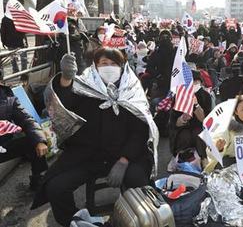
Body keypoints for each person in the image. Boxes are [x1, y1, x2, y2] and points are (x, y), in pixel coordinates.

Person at [32, 48, 156, 226]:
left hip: (124, 155)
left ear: (123, 66)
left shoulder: (133, 90)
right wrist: (66, 79)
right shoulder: (84, 86)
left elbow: (141, 131)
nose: (109, 67)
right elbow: (62, 107)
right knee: (56, 186)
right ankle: (75, 221)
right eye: (104, 63)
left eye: (114, 64)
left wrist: (124, 159)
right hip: (88, 156)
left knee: (141, 183)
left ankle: (138, 219)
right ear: (95, 66)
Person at [0, 85, 48, 190]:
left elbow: (26, 119)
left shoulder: (8, 97)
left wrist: (39, 140)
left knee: (34, 140)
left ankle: (38, 180)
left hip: (3, 146)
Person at [169, 70, 212, 165]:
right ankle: (180, 159)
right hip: (183, 129)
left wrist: (196, 105)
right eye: (191, 82)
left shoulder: (206, 96)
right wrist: (182, 119)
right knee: (185, 136)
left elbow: (207, 120)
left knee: (199, 135)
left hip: (200, 128)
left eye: (196, 81)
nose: (193, 84)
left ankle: (204, 160)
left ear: (201, 82)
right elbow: (173, 121)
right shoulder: (179, 96)